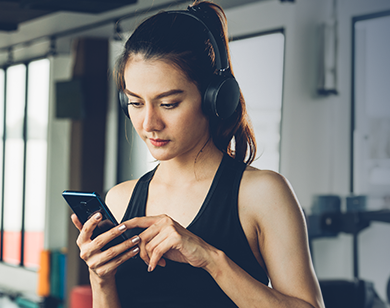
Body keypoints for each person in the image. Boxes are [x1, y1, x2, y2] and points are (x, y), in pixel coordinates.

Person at [69, 1, 325, 307]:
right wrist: (100, 278)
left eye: (168, 104)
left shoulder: (262, 194)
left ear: (214, 99)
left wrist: (210, 259)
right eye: (136, 103)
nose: (149, 123)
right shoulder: (120, 199)